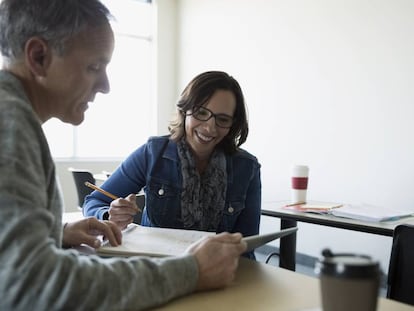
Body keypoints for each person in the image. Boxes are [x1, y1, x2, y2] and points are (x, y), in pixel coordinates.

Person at [0, 1, 247, 310]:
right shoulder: (9, 125)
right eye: (94, 67)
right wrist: (191, 271)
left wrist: (57, 233)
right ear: (38, 57)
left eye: (222, 119)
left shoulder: (15, 119)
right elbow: (32, 287)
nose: (104, 86)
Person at [83, 71, 262, 259]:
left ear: (233, 124)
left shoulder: (247, 168)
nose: (210, 127)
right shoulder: (153, 153)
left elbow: (246, 246)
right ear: (185, 110)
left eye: (223, 119)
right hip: (157, 269)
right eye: (201, 112)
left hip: (219, 271)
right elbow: (94, 201)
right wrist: (108, 216)